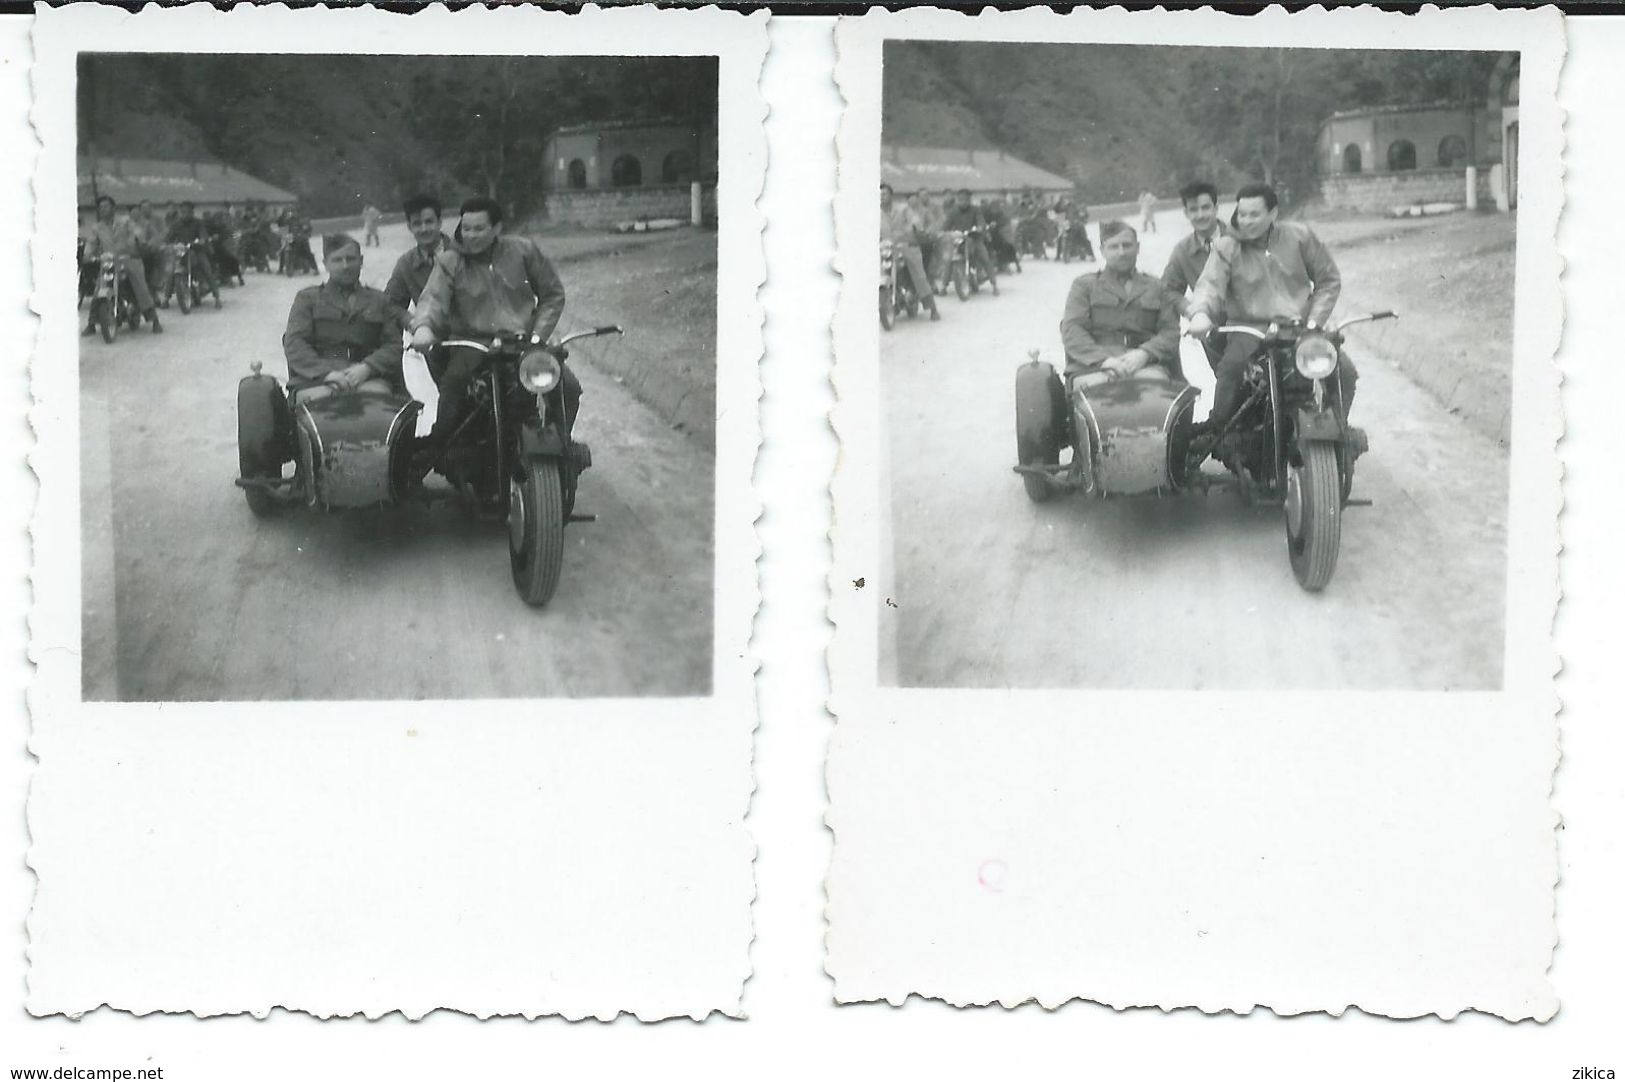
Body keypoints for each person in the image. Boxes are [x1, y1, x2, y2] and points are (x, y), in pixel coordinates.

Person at [409, 196, 574, 460]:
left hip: (523, 342)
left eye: (479, 228)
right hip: (473, 343)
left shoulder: (523, 250)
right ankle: (442, 446)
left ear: (497, 228)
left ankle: (562, 444)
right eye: (466, 228)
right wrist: (423, 328)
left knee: (565, 385)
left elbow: (553, 294)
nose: (471, 235)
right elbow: (432, 300)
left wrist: (537, 336)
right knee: (454, 385)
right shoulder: (449, 262)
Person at [1186, 181, 1352, 431]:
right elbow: (1209, 285)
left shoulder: (1300, 236)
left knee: (1342, 369)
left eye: (1255, 214)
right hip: (1248, 329)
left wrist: (1314, 322)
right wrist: (1200, 313)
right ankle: (1222, 430)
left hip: (1299, 329)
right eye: (1242, 214)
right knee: (1232, 371)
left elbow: (1328, 280)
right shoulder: (1226, 247)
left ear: (1273, 213)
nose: (1247, 221)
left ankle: (1338, 431)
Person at [281, 233, 405, 401]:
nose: (345, 266)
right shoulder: (307, 298)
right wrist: (326, 374)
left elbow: (393, 345)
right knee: (316, 412)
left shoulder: (379, 300)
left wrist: (367, 368)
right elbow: (295, 343)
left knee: (380, 411)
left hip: (369, 377)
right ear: (325, 264)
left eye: (350, 259)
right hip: (317, 380)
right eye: (337, 260)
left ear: (361, 261)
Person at [1059, 219, 1180, 384]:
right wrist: (1104, 361)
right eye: (1114, 247)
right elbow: (1072, 330)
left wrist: (1144, 354)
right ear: (1102, 251)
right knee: (1095, 395)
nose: (1121, 252)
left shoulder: (1156, 286)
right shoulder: (1084, 286)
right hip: (1094, 366)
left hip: (1145, 365)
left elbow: (1170, 332)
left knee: (1155, 393)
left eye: (1127, 245)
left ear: (1137, 248)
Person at [1161, 180, 1228, 372]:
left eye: (1206, 207)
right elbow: (1167, 289)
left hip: (1250, 324)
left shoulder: (1240, 239)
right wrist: (1193, 311)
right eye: (1194, 209)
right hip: (1213, 330)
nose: (1200, 215)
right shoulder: (1182, 251)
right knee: (1229, 387)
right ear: (1186, 213)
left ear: (1216, 207)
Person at [81, 195, 162, 334]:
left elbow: (137, 232)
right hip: (109, 262)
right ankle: (91, 324)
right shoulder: (97, 227)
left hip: (128, 259)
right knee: (99, 287)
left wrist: (137, 240)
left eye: (106, 206)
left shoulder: (125, 222)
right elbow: (91, 243)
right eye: (100, 207)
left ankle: (154, 321)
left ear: (113, 208)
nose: (103, 209)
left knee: (140, 287)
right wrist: (88, 255)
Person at [880, 184, 941, 322]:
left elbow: (916, 221)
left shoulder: (903, 209)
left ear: (891, 196)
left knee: (920, 277)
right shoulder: (875, 213)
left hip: (907, 246)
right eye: (879, 194)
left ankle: (933, 309)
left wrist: (912, 229)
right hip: (886, 248)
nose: (881, 197)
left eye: (884, 194)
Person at [384, 194, 452, 313]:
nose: (424, 229)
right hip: (428, 328)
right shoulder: (406, 263)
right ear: (409, 227)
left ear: (439, 223)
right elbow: (390, 304)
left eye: (429, 222)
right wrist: (409, 321)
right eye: (417, 224)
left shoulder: (461, 253)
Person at [165, 201, 222, 308]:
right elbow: (168, 238)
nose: (184, 214)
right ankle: (166, 299)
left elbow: (203, 234)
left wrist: (202, 240)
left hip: (196, 250)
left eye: (186, 211)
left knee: (207, 269)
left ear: (192, 212)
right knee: (172, 271)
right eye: (182, 212)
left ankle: (217, 298)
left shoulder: (198, 223)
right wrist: (169, 244)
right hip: (181, 252)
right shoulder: (176, 224)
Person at [945, 189, 997, 294]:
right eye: (960, 199)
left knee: (984, 257)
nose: (963, 202)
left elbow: (981, 220)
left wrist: (980, 227)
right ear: (957, 200)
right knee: (949, 259)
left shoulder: (975, 210)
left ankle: (994, 284)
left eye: (965, 199)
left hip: (974, 238)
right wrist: (944, 232)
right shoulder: (953, 212)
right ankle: (943, 285)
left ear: (969, 200)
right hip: (959, 239)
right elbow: (946, 225)